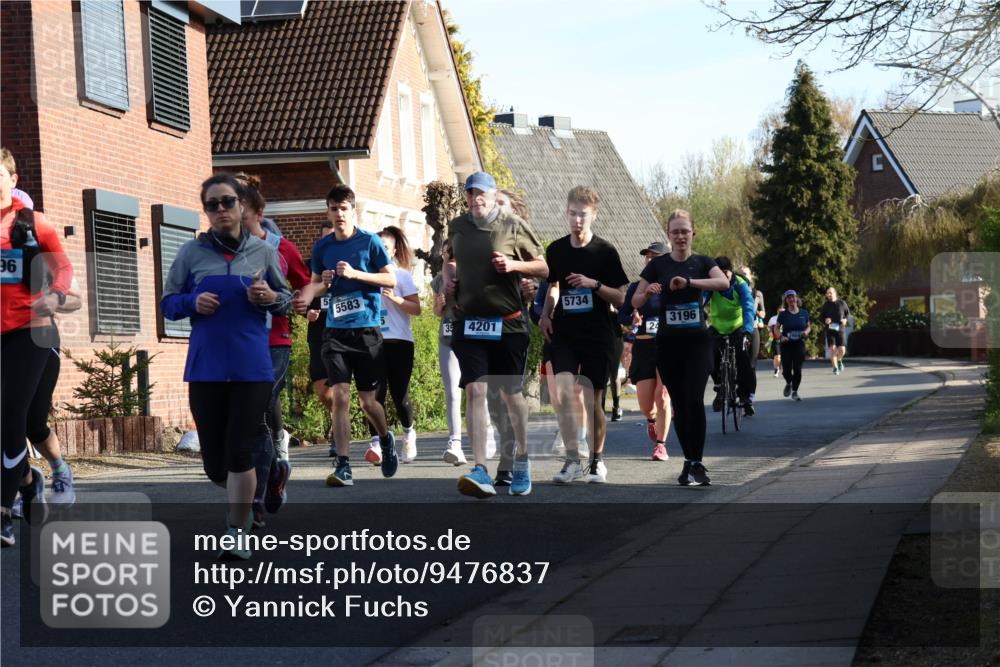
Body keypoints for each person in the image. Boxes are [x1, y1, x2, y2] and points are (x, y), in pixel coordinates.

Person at [162, 173, 291, 560]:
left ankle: (237, 531)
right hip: (206, 367)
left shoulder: (264, 252)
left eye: (228, 202)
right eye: (212, 204)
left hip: (252, 367)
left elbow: (286, 300)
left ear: (242, 206)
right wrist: (192, 303)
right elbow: (168, 302)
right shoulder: (190, 254)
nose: (221, 209)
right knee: (216, 465)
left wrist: (269, 295)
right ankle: (257, 490)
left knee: (239, 451)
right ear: (206, 211)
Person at [446, 171, 547, 498]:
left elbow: (545, 268)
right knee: (475, 390)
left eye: (482, 194)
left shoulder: (513, 225)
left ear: (491, 196)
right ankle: (480, 469)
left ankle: (522, 457)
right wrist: (450, 282)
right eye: (471, 194)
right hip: (470, 323)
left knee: (510, 395)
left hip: (509, 324)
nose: (476, 199)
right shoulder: (457, 226)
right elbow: (449, 259)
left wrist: (515, 267)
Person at [293, 185, 398, 487]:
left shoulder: (370, 242)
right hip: (335, 332)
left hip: (366, 330)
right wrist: (313, 289)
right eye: (333, 209)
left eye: (343, 209)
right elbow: (315, 285)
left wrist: (356, 274)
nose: (338, 214)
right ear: (327, 212)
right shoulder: (323, 248)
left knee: (368, 403)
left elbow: (389, 278)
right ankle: (343, 465)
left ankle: (385, 437)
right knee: (339, 396)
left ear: (353, 211)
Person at [1, 154, 73, 546]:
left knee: (22, 418)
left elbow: (64, 271)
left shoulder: (32, 225)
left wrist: (57, 294)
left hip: (33, 331)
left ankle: (6, 510)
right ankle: (28, 482)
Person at [632, 209, 729, 487]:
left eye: (685, 231)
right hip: (668, 344)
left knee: (694, 401)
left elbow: (723, 282)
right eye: (675, 231)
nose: (680, 236)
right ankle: (689, 461)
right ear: (669, 235)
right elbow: (636, 301)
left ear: (692, 233)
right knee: (679, 404)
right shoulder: (657, 266)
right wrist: (647, 292)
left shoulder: (702, 262)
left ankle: (697, 462)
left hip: (697, 343)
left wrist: (689, 283)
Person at [540, 186, 629, 485]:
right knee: (564, 395)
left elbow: (619, 298)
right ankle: (571, 460)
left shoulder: (605, 252)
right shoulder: (556, 250)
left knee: (593, 402)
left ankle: (597, 462)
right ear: (566, 213)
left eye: (584, 215)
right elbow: (553, 286)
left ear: (594, 215)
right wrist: (545, 314)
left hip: (598, 335)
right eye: (573, 214)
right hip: (565, 333)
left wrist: (593, 284)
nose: (578, 220)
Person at [235, 174, 310, 525]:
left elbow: (305, 285)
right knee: (247, 420)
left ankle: (257, 499)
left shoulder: (281, 248)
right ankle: (275, 468)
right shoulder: (218, 249)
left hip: (273, 342)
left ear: (258, 213)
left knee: (258, 412)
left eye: (243, 215)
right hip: (235, 345)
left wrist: (304, 302)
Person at [365, 226, 421, 463]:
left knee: (400, 394)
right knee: (374, 394)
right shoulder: (366, 276)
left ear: (394, 249)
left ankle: (408, 433)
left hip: (399, 341)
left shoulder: (402, 276)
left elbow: (416, 309)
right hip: (373, 340)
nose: (381, 251)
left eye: (385, 248)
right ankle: (377, 442)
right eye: (378, 248)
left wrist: (396, 298)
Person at [620, 241, 672, 461]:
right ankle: (652, 421)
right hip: (643, 347)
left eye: (654, 257)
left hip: (666, 345)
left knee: (662, 396)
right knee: (645, 404)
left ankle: (661, 445)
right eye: (647, 256)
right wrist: (631, 319)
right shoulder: (635, 287)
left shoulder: (672, 285)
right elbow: (621, 315)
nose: (649, 260)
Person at [706, 256, 757, 417]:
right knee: (709, 354)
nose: (722, 277)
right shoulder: (711, 284)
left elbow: (748, 307)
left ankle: (744, 397)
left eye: (725, 273)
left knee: (743, 357)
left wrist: (747, 331)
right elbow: (700, 300)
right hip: (717, 326)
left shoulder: (740, 285)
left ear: (731, 271)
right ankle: (719, 386)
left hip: (737, 326)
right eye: (718, 273)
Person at [304, 220, 337, 456]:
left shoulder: (348, 268)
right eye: (324, 239)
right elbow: (297, 298)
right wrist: (307, 312)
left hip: (342, 334)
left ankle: (338, 434)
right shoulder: (310, 269)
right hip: (317, 334)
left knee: (340, 387)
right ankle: (339, 418)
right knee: (322, 390)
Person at [777, 290, 811, 401]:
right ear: (786, 301)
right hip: (786, 345)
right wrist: (781, 337)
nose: (791, 299)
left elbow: (808, 326)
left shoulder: (804, 313)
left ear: (796, 298)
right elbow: (776, 328)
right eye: (788, 298)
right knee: (786, 370)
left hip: (799, 344)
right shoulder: (783, 314)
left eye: (793, 297)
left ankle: (795, 391)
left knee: (798, 370)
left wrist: (806, 332)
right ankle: (788, 382)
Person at [741, 265, 767, 399]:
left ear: (750, 276)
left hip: (753, 328)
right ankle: (738, 391)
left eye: (745, 273)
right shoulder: (734, 290)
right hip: (737, 329)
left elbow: (763, 312)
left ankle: (750, 395)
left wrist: (756, 313)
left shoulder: (757, 293)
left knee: (752, 363)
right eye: (740, 273)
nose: (743, 275)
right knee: (739, 362)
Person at [820, 287, 850, 375]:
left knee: (842, 350)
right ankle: (835, 368)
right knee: (832, 349)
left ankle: (839, 360)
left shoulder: (842, 303)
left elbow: (847, 314)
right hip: (830, 330)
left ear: (835, 293)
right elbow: (821, 317)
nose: (829, 294)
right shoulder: (825, 305)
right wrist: (825, 320)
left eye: (830, 293)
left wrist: (845, 320)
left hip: (840, 329)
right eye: (827, 293)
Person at [768, 306, 784, 377]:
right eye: (780, 311)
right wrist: (770, 332)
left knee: (784, 356)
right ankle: (776, 369)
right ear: (777, 311)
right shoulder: (773, 319)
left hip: (785, 339)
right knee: (777, 357)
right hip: (776, 339)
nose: (781, 313)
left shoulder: (787, 318)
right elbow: (769, 327)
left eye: (783, 311)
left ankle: (784, 370)